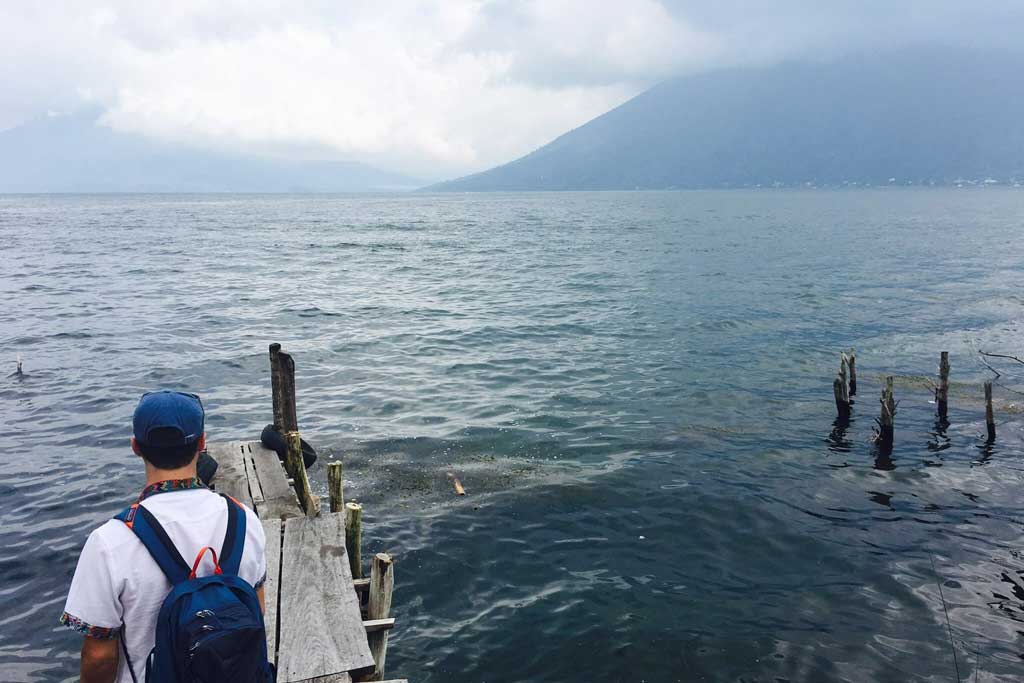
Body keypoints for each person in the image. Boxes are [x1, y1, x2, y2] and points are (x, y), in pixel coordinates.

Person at [60, 391, 267, 683]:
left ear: (135, 447)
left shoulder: (109, 541)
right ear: (202, 443)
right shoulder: (244, 518)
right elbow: (256, 609)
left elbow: (99, 656)